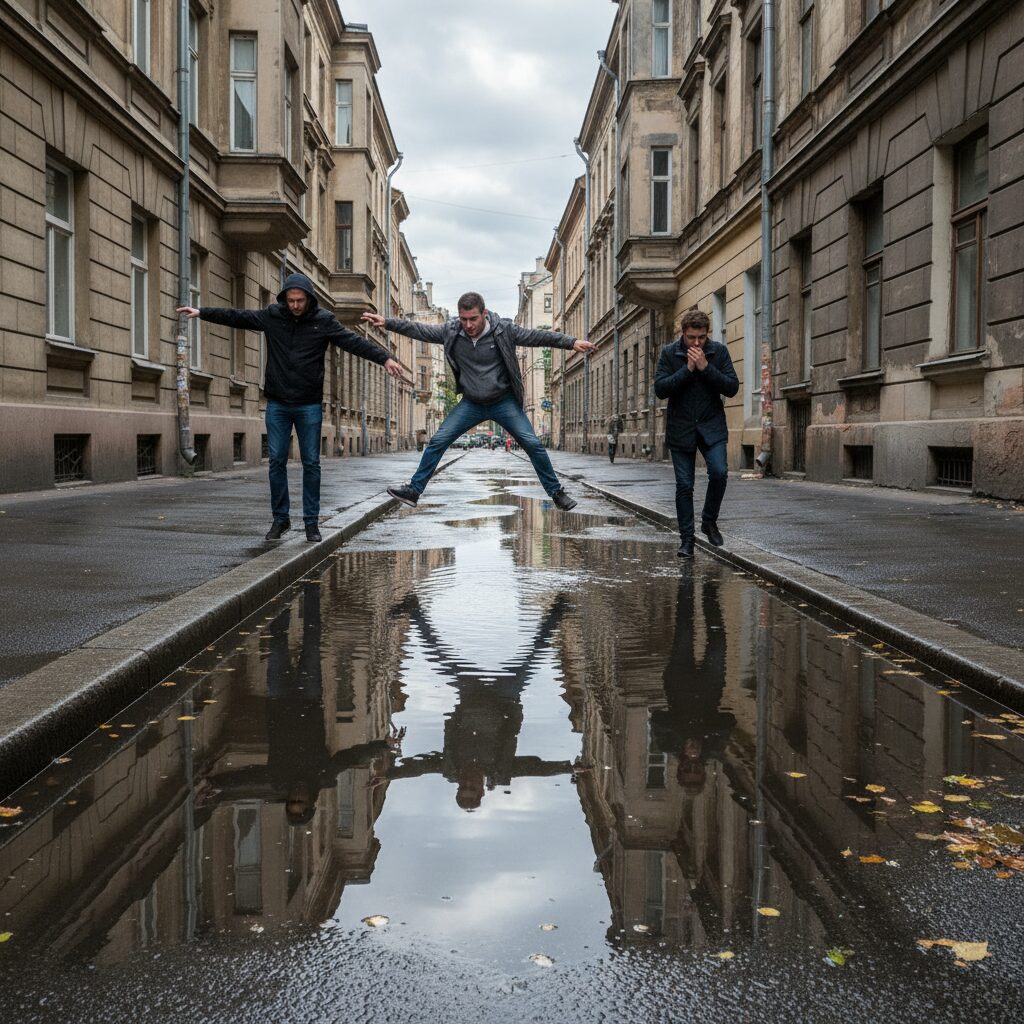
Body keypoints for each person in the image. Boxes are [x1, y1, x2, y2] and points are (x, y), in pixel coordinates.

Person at [178, 272, 405, 542]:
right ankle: (280, 519)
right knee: (276, 462)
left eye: (300, 300)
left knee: (311, 463)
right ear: (284, 299)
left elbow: (353, 342)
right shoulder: (273, 316)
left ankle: (311, 523)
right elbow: (238, 316)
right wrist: (202, 312)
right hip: (278, 404)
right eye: (291, 300)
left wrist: (385, 358)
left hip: (308, 405)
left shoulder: (324, 322)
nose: (295, 305)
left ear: (309, 299)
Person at [361, 291, 596, 511]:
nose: (468, 325)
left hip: (503, 402)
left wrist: (570, 342)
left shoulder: (504, 330)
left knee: (532, 444)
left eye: (473, 319)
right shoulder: (452, 331)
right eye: (463, 319)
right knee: (438, 441)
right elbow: (419, 330)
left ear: (484, 313)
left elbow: (538, 337)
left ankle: (557, 493)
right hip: (472, 403)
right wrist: (388, 322)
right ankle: (413, 491)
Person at [654, 307, 738, 558]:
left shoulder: (718, 352)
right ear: (683, 334)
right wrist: (687, 369)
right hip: (682, 427)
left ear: (707, 334)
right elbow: (660, 388)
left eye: (701, 337)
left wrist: (705, 367)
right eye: (692, 337)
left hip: (711, 425)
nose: (697, 343)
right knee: (684, 486)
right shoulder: (670, 353)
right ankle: (687, 541)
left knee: (720, 472)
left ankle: (709, 521)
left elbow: (732, 387)